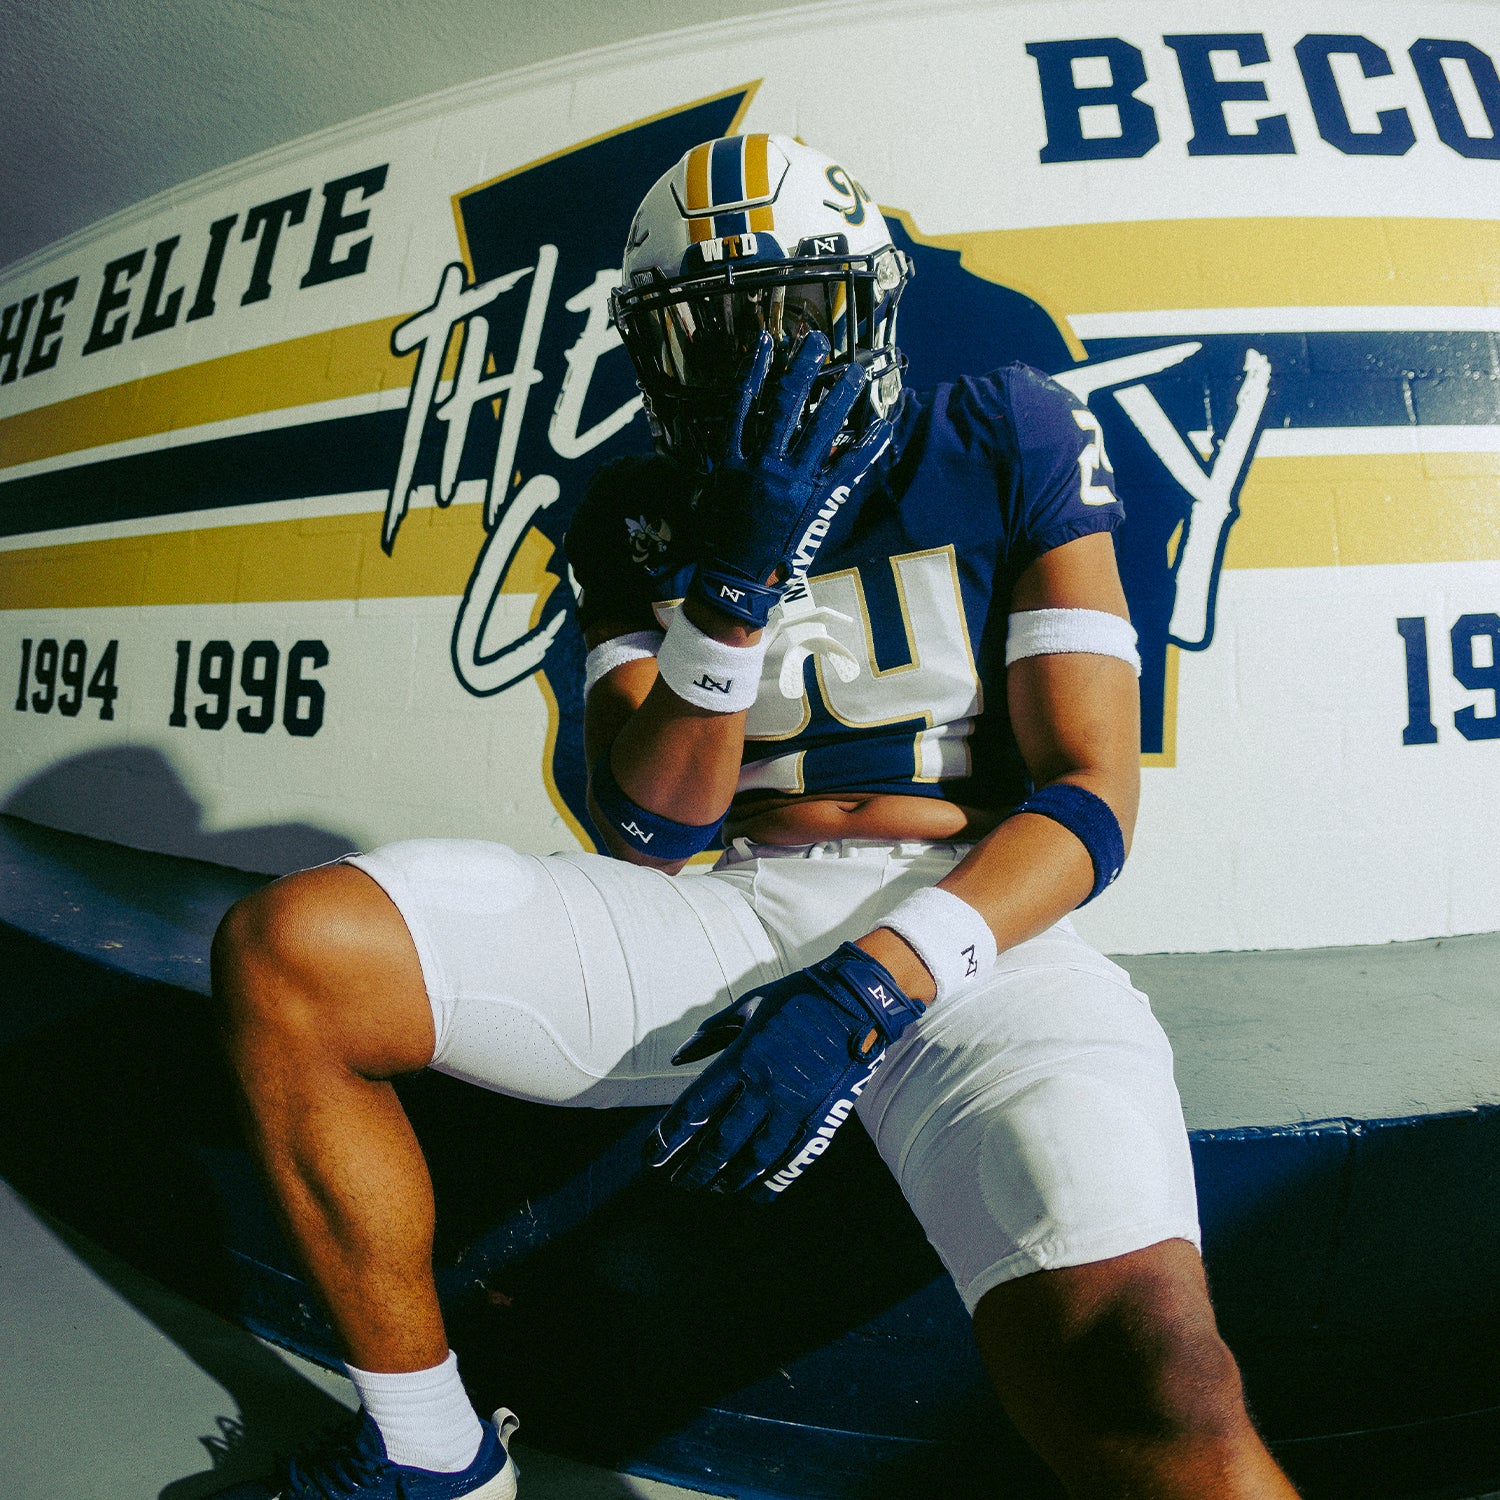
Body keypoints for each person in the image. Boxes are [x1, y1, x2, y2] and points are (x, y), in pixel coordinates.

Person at [211, 134, 1301, 1499]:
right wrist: (734, 583)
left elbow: (1091, 794)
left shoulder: (1003, 426)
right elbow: (654, 829)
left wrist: (875, 985)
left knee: (1157, 1375)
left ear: (871, 304)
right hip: (727, 911)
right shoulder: (634, 507)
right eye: (714, 327)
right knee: (291, 951)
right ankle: (430, 1450)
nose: (762, 356)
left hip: (972, 922)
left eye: (797, 310)